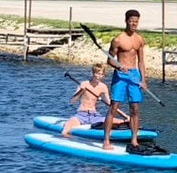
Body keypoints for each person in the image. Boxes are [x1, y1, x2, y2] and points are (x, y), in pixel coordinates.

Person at [102, 9, 148, 153]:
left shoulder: (139, 39)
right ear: (126, 21)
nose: (134, 24)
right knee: (114, 107)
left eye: (136, 21)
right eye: (132, 21)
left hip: (134, 75)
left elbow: (141, 62)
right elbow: (109, 60)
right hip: (121, 76)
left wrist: (143, 80)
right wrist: (118, 66)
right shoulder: (118, 39)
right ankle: (106, 140)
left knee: (135, 108)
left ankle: (134, 139)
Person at [61, 62, 129, 136]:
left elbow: (110, 104)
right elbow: (72, 101)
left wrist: (125, 116)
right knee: (68, 125)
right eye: (97, 73)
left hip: (95, 115)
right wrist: (81, 91)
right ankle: (65, 138)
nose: (98, 76)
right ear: (92, 74)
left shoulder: (103, 87)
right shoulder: (84, 84)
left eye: (101, 74)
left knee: (120, 122)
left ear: (103, 75)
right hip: (81, 115)